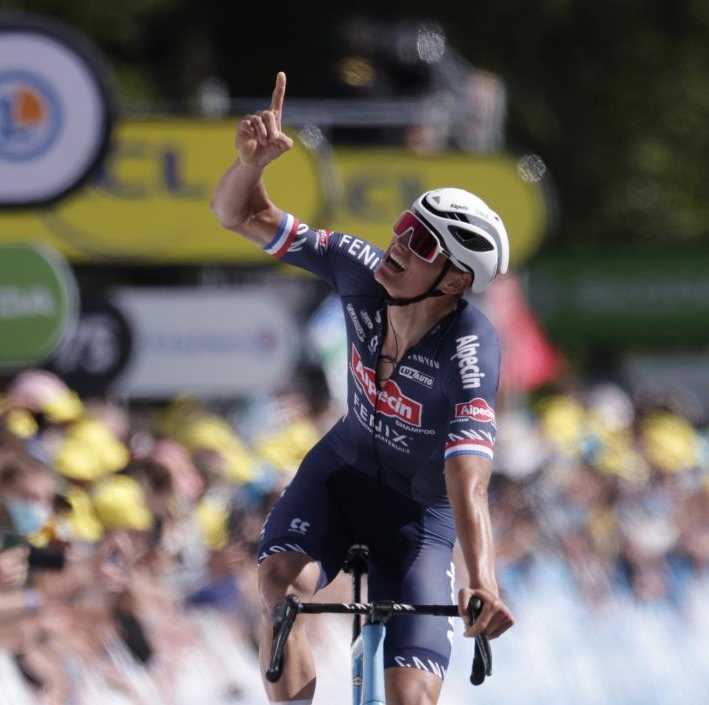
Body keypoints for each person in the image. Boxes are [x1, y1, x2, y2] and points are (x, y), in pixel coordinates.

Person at [210, 72, 515, 705]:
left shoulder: (469, 347)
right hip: (340, 477)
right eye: (405, 224)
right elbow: (238, 214)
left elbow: (469, 476)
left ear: (455, 281)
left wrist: (483, 579)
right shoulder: (358, 267)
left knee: (410, 699)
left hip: (418, 521)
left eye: (422, 243)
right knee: (280, 585)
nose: (399, 243)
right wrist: (251, 166)